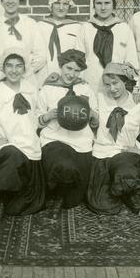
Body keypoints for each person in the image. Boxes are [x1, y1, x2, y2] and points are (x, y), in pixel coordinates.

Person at [0, 48, 45, 215]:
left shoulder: (31, 88)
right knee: (11, 160)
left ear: (25, 69)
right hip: (10, 148)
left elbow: (39, 113)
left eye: (19, 66)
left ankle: (9, 196)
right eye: (9, 66)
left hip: (32, 149)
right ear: (3, 69)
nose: (14, 70)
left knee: (31, 202)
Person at [87, 63, 140, 215]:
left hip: (124, 154)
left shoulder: (137, 105)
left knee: (126, 173)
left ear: (125, 82)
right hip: (101, 153)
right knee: (102, 206)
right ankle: (115, 189)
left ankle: (131, 193)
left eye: (115, 83)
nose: (112, 88)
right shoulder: (99, 99)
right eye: (107, 85)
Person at [37, 49, 98, 208]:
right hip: (55, 139)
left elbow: (96, 121)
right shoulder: (47, 89)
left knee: (74, 199)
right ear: (61, 66)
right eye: (68, 68)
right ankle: (57, 195)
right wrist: (47, 116)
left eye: (77, 70)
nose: (71, 74)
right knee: (64, 166)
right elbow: (36, 120)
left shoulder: (85, 89)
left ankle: (63, 194)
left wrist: (93, 115)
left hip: (81, 142)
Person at [77, 0, 138, 92]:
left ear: (114, 5)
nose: (103, 7)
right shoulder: (86, 28)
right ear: (94, 5)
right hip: (90, 83)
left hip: (116, 85)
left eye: (107, 3)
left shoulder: (124, 29)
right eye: (99, 3)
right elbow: (78, 58)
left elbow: (131, 60)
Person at [35, 0, 83, 86]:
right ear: (51, 5)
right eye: (57, 3)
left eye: (65, 4)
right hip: (44, 76)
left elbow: (80, 55)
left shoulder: (77, 27)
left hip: (68, 77)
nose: (61, 8)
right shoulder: (39, 26)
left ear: (69, 6)